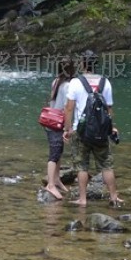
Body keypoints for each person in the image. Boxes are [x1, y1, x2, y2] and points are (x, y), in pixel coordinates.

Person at [60, 50, 120, 207]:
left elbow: (69, 108)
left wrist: (67, 129)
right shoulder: (105, 82)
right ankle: (113, 197)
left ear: (83, 64)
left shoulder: (75, 82)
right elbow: (109, 109)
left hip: (81, 131)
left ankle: (83, 199)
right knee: (107, 165)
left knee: (82, 166)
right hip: (101, 131)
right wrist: (111, 127)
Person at [41, 57, 77, 203]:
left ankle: (56, 180)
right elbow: (67, 107)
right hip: (58, 122)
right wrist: (68, 127)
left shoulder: (56, 81)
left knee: (58, 151)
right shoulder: (68, 85)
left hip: (50, 119)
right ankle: (50, 184)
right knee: (54, 153)